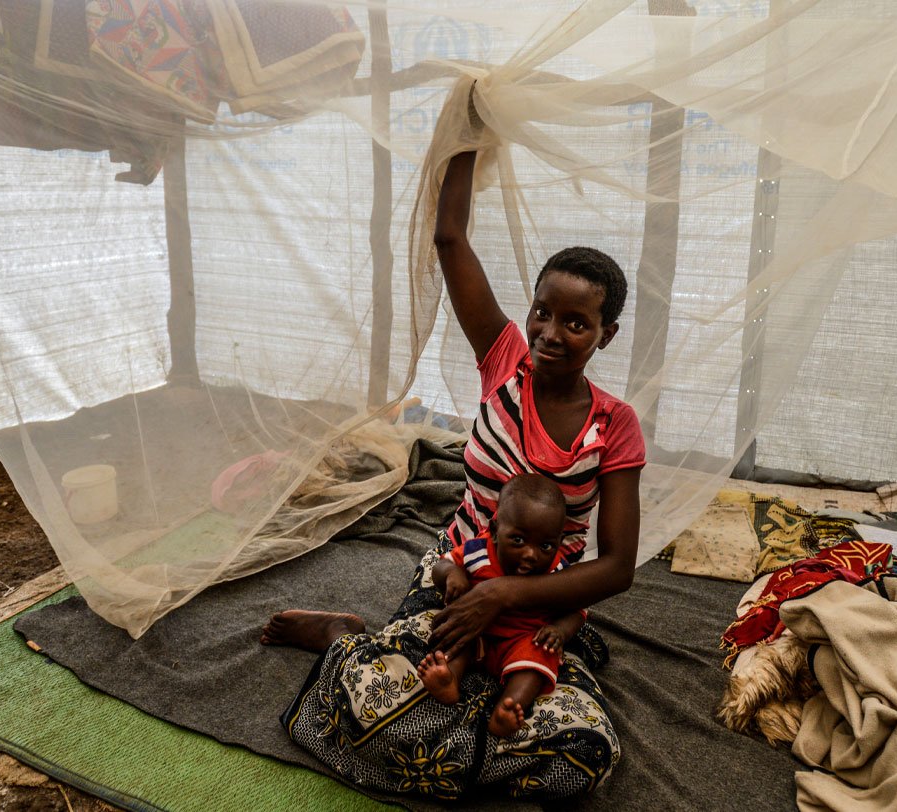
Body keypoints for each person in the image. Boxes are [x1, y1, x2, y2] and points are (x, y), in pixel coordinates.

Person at [261, 147, 645, 800]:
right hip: (459, 573)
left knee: (583, 754)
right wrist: (469, 129)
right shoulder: (504, 364)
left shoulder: (615, 425)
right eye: (542, 313)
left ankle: (440, 681)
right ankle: (343, 635)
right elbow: (450, 237)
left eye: (576, 324)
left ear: (605, 336)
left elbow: (616, 568)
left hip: (544, 597)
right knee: (383, 702)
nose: (551, 333)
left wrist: (511, 599)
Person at [417, 474, 589, 737]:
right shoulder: (478, 551)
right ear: (496, 531)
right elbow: (442, 564)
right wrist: (454, 575)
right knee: (455, 637)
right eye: (518, 540)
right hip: (478, 632)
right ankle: (449, 678)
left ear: (558, 541)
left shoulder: (556, 569)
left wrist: (560, 631)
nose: (531, 555)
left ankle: (510, 707)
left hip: (523, 640)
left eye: (545, 545)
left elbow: (577, 610)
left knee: (539, 657)